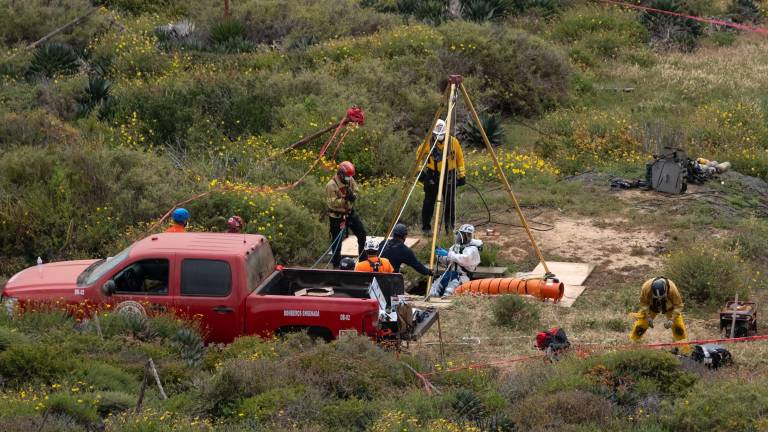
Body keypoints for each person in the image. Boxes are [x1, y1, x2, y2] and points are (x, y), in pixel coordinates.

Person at [417, 119, 466, 235]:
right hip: (432, 175)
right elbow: (419, 157)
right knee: (428, 202)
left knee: (449, 203)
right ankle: (426, 228)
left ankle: (450, 228)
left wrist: (462, 175)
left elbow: (460, 159)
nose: (440, 137)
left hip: (449, 175)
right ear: (433, 133)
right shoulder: (428, 143)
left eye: (442, 134)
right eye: (437, 134)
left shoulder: (453, 142)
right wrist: (420, 172)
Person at [630, 277, 690, 354]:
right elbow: (643, 303)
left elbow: (678, 305)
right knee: (640, 327)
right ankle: (632, 347)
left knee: (679, 329)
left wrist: (672, 319)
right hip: (652, 306)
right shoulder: (646, 287)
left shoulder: (672, 289)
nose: (659, 299)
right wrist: (648, 316)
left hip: (670, 307)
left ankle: (685, 352)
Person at [326, 161, 367, 269]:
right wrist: (345, 199)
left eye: (350, 176)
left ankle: (363, 261)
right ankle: (336, 265)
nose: (349, 178)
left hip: (349, 213)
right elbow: (332, 202)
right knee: (337, 242)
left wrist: (353, 196)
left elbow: (356, 190)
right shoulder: (331, 185)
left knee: (362, 234)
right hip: (337, 216)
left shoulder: (349, 179)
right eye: (347, 176)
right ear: (340, 173)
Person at [429, 224, 482, 297]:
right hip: (450, 274)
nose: (460, 237)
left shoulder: (472, 249)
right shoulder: (455, 247)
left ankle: (446, 303)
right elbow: (449, 262)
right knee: (434, 288)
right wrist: (440, 256)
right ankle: (431, 301)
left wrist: (448, 254)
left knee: (450, 290)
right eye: (460, 234)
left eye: (463, 235)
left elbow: (464, 259)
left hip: (462, 277)